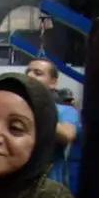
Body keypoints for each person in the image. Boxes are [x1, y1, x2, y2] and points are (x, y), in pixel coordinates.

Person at [25, 58, 79, 186]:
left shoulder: (65, 111)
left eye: (38, 73)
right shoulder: (17, 107)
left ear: (53, 83)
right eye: (28, 71)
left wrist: (37, 110)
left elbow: (67, 135)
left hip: (49, 184)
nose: (30, 75)